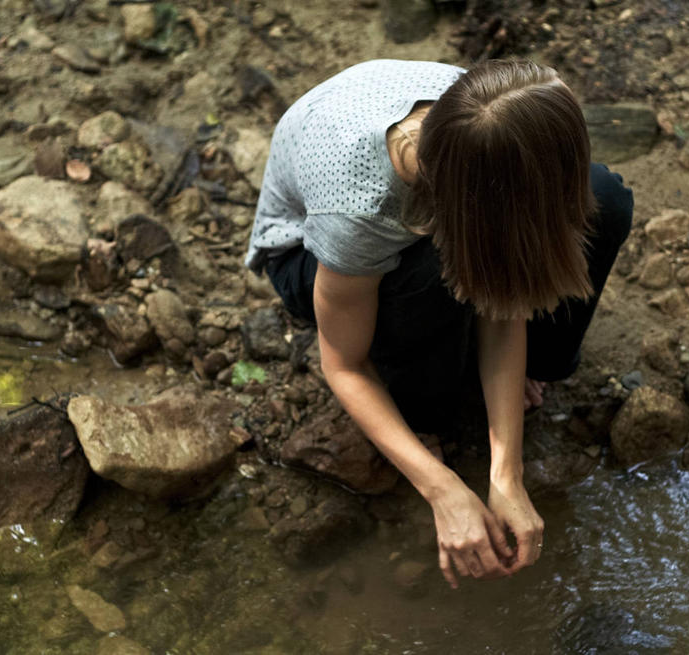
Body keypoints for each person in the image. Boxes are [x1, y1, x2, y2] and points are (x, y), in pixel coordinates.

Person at [245, 59, 633, 589]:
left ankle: (529, 371)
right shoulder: (362, 206)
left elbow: (505, 302)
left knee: (603, 198)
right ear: (486, 207)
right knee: (429, 290)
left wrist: (507, 475)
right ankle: (427, 402)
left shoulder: (492, 118)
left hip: (447, 199)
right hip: (306, 255)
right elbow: (343, 365)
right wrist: (442, 490)